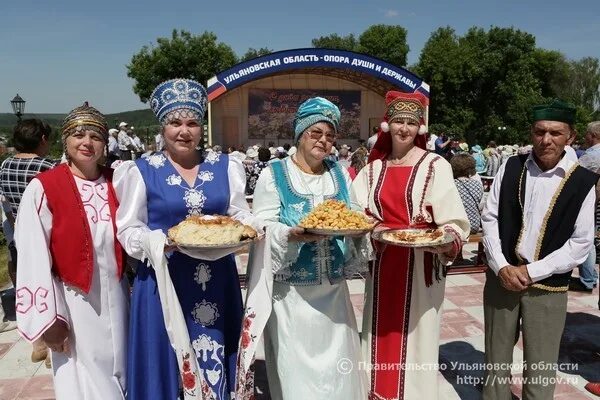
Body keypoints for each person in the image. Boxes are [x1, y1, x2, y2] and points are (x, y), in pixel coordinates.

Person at [114, 79, 258, 400]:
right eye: (175, 123)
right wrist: (160, 242)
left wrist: (254, 226)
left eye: (192, 123)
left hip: (217, 281)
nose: (184, 131)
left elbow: (238, 213)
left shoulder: (224, 166)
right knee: (168, 367)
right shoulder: (140, 171)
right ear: (162, 127)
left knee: (214, 361)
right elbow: (128, 229)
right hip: (165, 282)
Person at [351, 91, 469, 400]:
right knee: (378, 331)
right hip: (382, 260)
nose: (404, 128)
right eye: (399, 121)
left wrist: (446, 241)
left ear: (420, 128)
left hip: (421, 265)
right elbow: (355, 212)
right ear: (387, 125)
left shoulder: (435, 165)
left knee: (418, 335)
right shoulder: (372, 169)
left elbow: (454, 220)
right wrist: (371, 230)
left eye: (411, 123)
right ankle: (377, 391)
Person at [251, 97, 369, 399]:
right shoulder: (274, 174)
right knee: (297, 372)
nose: (324, 141)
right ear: (300, 134)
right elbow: (261, 225)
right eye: (316, 133)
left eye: (330, 135)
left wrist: (363, 226)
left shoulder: (338, 172)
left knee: (338, 369)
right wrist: (289, 234)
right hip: (291, 296)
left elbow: (353, 212)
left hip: (332, 290)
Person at [481, 100, 598, 399]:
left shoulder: (582, 182)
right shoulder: (512, 166)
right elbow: (490, 216)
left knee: (542, 365)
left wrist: (531, 271)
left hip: (547, 286)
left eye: (556, 133)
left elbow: (581, 243)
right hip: (501, 278)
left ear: (570, 137)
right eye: (539, 131)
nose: (546, 140)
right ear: (531, 133)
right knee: (496, 358)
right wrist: (501, 266)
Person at [15, 103, 129, 399]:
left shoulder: (118, 181)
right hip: (74, 299)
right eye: (78, 134)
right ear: (65, 140)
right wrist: (48, 319)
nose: (87, 142)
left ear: (105, 143)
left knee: (124, 365)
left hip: (119, 294)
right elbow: (32, 254)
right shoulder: (44, 188)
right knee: (83, 375)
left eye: (95, 136)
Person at [0, 119, 56, 360]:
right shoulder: (48, 166)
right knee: (51, 286)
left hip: (18, 233)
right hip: (47, 234)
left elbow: (7, 204)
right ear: (42, 139)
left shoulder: (4, 167)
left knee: (27, 283)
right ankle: (53, 340)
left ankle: (37, 341)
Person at [570, 121, 600, 292]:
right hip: (595, 202)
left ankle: (587, 279)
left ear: (592, 136)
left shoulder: (593, 155)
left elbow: (573, 175)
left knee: (585, 238)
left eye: (587, 134)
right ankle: (591, 276)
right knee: (590, 240)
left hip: (588, 200)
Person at [450, 153, 484, 234]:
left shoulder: (451, 184)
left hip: (457, 226)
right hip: (474, 226)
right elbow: (481, 205)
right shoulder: (477, 184)